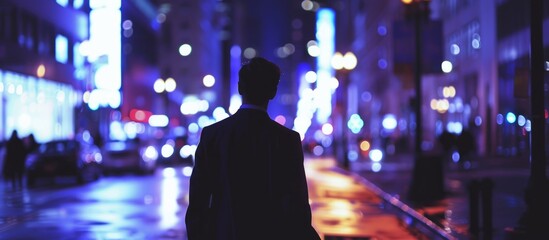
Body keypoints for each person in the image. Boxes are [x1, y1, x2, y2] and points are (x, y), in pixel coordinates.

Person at [185, 57, 321, 240]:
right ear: (272, 92)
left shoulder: (213, 135)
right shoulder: (287, 140)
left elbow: (198, 201)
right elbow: (297, 205)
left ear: (241, 88)